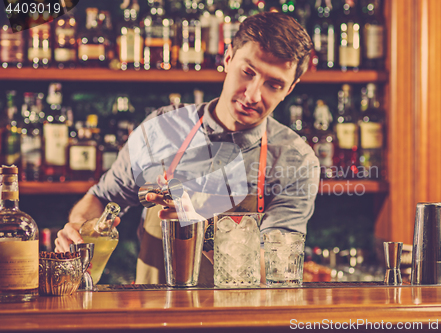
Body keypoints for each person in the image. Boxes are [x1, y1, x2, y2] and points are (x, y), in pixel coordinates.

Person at [54, 11, 320, 284]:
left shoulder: (295, 160)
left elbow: (276, 269)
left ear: (290, 89)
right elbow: (101, 199)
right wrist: (79, 228)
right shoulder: (162, 128)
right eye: (247, 72)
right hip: (154, 318)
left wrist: (197, 222)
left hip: (238, 320)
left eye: (273, 84)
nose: (253, 94)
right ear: (228, 58)